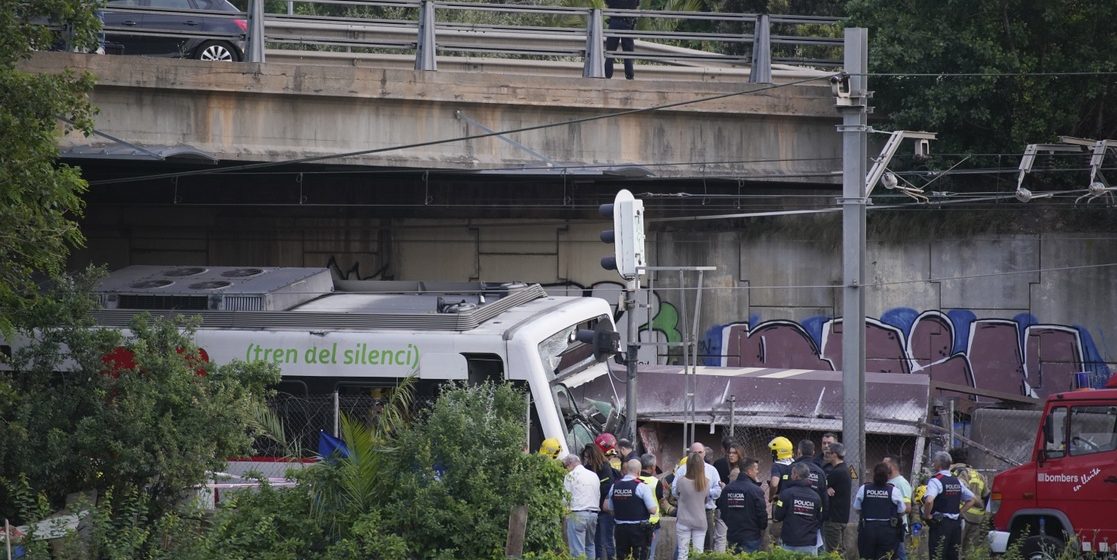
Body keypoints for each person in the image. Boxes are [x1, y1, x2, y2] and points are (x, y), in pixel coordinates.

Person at [923, 451, 975, 560]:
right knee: (952, 556)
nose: (933, 464)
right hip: (956, 525)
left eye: (934, 462)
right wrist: (960, 512)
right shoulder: (956, 481)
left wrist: (927, 516)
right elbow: (972, 499)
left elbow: (929, 501)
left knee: (937, 554)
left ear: (938, 464)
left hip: (940, 524)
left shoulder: (936, 481)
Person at [672, 442, 724, 552]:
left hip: (705, 512)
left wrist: (703, 492)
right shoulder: (682, 470)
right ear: (689, 454)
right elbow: (674, 491)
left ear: (704, 453)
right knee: (682, 548)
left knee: (706, 546)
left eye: (700, 452)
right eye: (694, 453)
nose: (697, 455)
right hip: (686, 511)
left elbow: (718, 490)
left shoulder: (712, 470)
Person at [605, 459, 658, 560]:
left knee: (622, 557)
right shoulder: (641, 486)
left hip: (620, 529)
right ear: (639, 471)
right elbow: (652, 510)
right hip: (639, 529)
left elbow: (610, 508)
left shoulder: (614, 486)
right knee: (640, 556)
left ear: (626, 470)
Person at [853, 462, 906, 560]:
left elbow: (856, 508)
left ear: (874, 474)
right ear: (888, 475)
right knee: (886, 557)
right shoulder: (894, 491)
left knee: (867, 556)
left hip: (867, 529)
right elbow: (902, 511)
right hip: (888, 531)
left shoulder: (864, 489)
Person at [774, 462, 824, 556]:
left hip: (789, 542)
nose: (791, 476)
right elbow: (820, 519)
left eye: (792, 474)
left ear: (796, 475)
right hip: (809, 542)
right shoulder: (816, 497)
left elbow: (778, 516)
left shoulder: (786, 494)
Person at [719, 459, 768, 553]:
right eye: (756, 469)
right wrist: (761, 528)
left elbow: (723, 511)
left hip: (733, 535)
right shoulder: (756, 490)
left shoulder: (727, 489)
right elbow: (762, 514)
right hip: (751, 536)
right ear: (749, 471)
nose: (757, 472)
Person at [949, 447, 990, 558]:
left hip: (963, 516)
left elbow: (959, 491)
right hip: (977, 519)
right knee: (970, 552)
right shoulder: (978, 474)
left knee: (957, 549)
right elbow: (986, 496)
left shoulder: (958, 473)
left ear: (952, 460)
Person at [586, 435, 621, 560]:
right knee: (597, 540)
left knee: (606, 540)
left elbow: (607, 488)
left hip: (604, 510)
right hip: (597, 509)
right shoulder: (590, 468)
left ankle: (610, 557)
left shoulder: (605, 468)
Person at [564, 454, 601, 559]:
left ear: (570, 464)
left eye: (566, 466)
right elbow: (597, 494)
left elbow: (565, 497)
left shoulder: (571, 475)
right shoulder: (594, 475)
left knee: (577, 549)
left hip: (577, 513)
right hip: (593, 513)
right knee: (590, 545)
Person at [711, 438, 742, 552]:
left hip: (723, 504)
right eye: (730, 453)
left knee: (720, 537)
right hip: (735, 506)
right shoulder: (744, 467)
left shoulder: (719, 464)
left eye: (734, 453)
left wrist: (724, 487)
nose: (731, 455)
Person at [823, 442, 852, 556]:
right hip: (842, 517)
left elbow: (820, 488)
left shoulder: (837, 472)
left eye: (829, 453)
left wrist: (825, 488)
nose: (826, 455)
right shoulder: (845, 469)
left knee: (833, 552)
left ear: (834, 454)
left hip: (833, 518)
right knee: (840, 551)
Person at [883, 454, 914, 560]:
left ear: (891, 466)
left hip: (897, 528)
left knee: (899, 555)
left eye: (884, 464)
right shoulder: (888, 482)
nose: (881, 467)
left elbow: (907, 507)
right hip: (887, 527)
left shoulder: (901, 483)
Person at [767, 435, 795, 546]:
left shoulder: (777, 466)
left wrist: (770, 496)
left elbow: (774, 484)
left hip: (780, 502)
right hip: (793, 502)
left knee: (776, 535)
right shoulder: (795, 464)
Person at [638, 453, 666, 560]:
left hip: (636, 521)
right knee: (650, 553)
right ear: (652, 467)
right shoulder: (656, 482)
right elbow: (661, 501)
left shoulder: (634, 479)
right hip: (652, 523)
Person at [603, 0, 638, 80]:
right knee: (628, 52)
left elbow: (607, 3)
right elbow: (636, 5)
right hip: (627, 22)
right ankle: (629, 77)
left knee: (610, 51)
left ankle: (607, 76)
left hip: (614, 21)